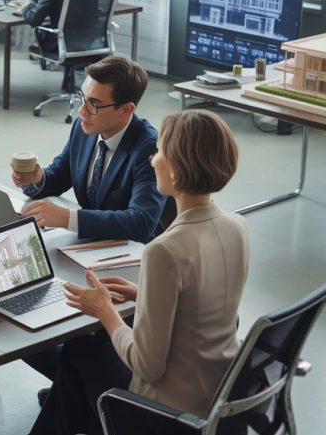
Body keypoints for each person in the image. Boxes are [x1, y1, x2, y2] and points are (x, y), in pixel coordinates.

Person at [29, 109, 249, 435]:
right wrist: (144, 295)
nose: (152, 160)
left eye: (160, 153)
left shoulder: (164, 250)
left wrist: (105, 311)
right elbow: (203, 306)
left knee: (82, 349)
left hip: (165, 410)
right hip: (218, 391)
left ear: (175, 170)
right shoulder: (237, 226)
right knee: (80, 370)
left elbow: (147, 364)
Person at [13, 55, 170, 382]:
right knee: (23, 325)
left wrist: (67, 217)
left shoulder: (148, 147)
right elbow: (59, 175)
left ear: (127, 109)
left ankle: (78, 392)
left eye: (95, 104)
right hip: (89, 254)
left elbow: (142, 223)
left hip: (134, 266)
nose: (83, 110)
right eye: (83, 98)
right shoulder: (84, 127)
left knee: (62, 344)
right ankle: (76, 392)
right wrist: (37, 179)